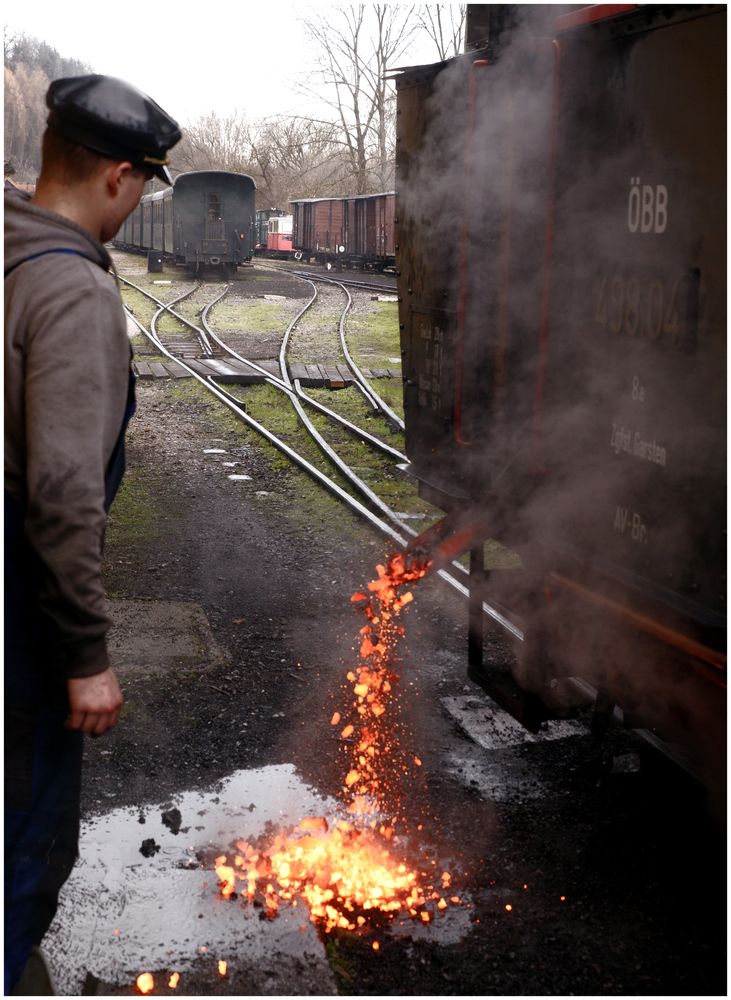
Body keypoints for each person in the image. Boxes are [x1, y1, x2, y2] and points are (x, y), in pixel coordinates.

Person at [4, 75, 181, 993]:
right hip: (23, 615)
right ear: (118, 175)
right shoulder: (72, 290)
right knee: (24, 847)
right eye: (145, 183)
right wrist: (86, 655)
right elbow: (64, 495)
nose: (141, 201)